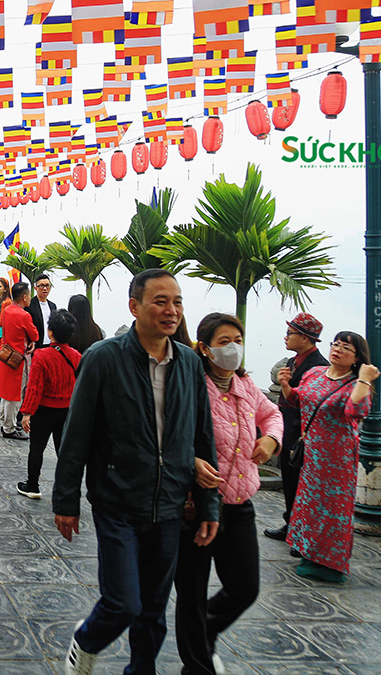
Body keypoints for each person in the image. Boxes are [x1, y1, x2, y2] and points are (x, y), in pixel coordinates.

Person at [53, 269, 219, 675]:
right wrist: (66, 500)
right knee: (124, 601)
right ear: (135, 306)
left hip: (169, 503)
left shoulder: (189, 366)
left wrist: (210, 504)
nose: (171, 310)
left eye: (177, 301)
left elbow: (203, 438)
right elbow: (77, 434)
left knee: (153, 610)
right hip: (117, 499)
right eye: (160, 301)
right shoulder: (103, 359)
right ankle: (88, 639)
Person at [175, 313, 283, 675]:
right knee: (191, 594)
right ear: (204, 348)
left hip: (239, 504)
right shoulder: (191, 384)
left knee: (244, 588)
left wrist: (271, 438)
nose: (232, 347)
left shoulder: (246, 385)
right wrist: (189, 461)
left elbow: (273, 414)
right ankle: (197, 665)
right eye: (223, 341)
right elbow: (169, 433)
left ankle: (202, 632)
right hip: (196, 506)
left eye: (237, 339)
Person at [279, 331, 378, 583]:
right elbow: (298, 399)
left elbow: (354, 410)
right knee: (310, 505)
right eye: (336, 344)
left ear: (357, 358)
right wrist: (285, 385)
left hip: (338, 456)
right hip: (312, 453)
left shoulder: (356, 384)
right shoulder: (315, 373)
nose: (338, 349)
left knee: (332, 509)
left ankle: (329, 563)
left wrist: (365, 380)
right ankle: (309, 553)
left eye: (346, 348)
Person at [265, 313, 328, 542]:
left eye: (290, 334)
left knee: (302, 483)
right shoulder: (293, 362)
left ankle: (300, 530)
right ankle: (291, 524)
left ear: (304, 338)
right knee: (290, 481)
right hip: (287, 429)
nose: (286, 338)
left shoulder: (319, 367)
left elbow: (308, 402)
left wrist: (285, 385)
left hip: (303, 433)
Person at [17, 309, 81, 499]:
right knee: (64, 451)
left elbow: (34, 388)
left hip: (44, 411)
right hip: (66, 410)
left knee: (36, 449)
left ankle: (33, 486)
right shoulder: (77, 356)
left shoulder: (42, 356)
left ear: (50, 331)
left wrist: (27, 413)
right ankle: (65, 489)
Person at [0, 282, 38, 440]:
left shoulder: (7, 310)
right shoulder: (24, 315)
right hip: (18, 359)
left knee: (6, 392)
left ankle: (5, 421)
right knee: (15, 395)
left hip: (6, 354)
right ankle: (9, 428)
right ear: (25, 297)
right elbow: (35, 335)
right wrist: (30, 341)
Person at [27, 273, 58, 350]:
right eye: (41, 286)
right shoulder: (29, 305)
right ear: (35, 288)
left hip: (50, 346)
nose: (44, 288)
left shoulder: (53, 306)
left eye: (47, 285)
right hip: (35, 346)